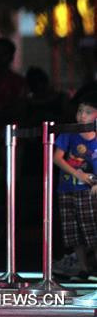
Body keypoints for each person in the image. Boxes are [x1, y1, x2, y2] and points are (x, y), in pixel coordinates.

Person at [52, 92, 97, 279]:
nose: (82, 115)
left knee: (91, 230)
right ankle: (83, 268)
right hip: (66, 188)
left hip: (88, 190)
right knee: (72, 231)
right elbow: (57, 158)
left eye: (88, 112)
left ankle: (93, 267)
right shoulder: (69, 133)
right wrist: (77, 173)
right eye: (80, 111)